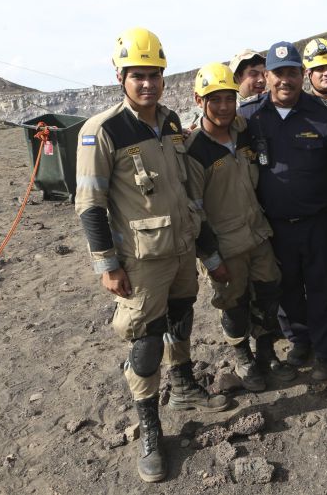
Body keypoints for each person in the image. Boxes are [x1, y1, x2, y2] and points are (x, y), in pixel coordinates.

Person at [75, 28, 229, 482]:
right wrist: (107, 264)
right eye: (139, 75)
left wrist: (204, 247)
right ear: (121, 76)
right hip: (141, 262)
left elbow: (185, 191)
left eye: (155, 75)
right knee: (144, 341)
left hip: (181, 248)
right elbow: (90, 205)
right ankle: (150, 429)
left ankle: (182, 384)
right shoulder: (102, 131)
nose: (148, 84)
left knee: (182, 314)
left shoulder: (172, 124)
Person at [185, 63, 295, 392]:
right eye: (214, 99)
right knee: (232, 303)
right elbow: (195, 210)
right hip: (224, 245)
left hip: (258, 234)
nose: (222, 106)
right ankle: (241, 355)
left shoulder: (243, 130)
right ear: (198, 100)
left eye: (228, 98)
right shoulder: (194, 149)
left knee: (268, 293)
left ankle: (265, 352)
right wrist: (211, 257)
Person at [246, 41, 327, 380]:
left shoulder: (324, 117)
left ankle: (326, 351)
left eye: (291, 72)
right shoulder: (250, 118)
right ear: (266, 76)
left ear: (302, 75)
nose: (284, 80)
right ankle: (299, 341)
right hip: (273, 224)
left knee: (320, 287)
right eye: (278, 73)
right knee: (286, 288)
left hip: (317, 221)